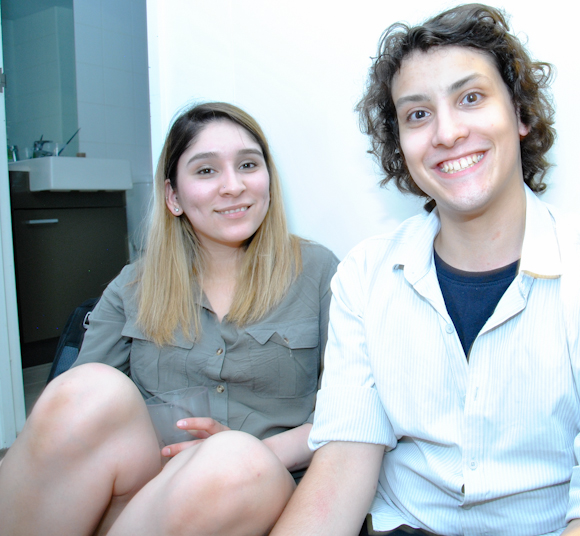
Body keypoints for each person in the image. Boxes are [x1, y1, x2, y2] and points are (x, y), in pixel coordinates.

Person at [272, 5, 580, 536]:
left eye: (470, 98)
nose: (446, 132)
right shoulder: (364, 276)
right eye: (418, 114)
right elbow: (344, 460)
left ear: (520, 114)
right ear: (400, 145)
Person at [0, 102, 339, 535]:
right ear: (173, 197)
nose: (233, 186)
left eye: (248, 165)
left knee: (235, 460)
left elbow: (351, 415)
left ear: (268, 180)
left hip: (260, 484)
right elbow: (75, 420)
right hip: (151, 493)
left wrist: (250, 454)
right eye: (206, 170)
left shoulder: (320, 272)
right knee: (86, 388)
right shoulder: (133, 286)